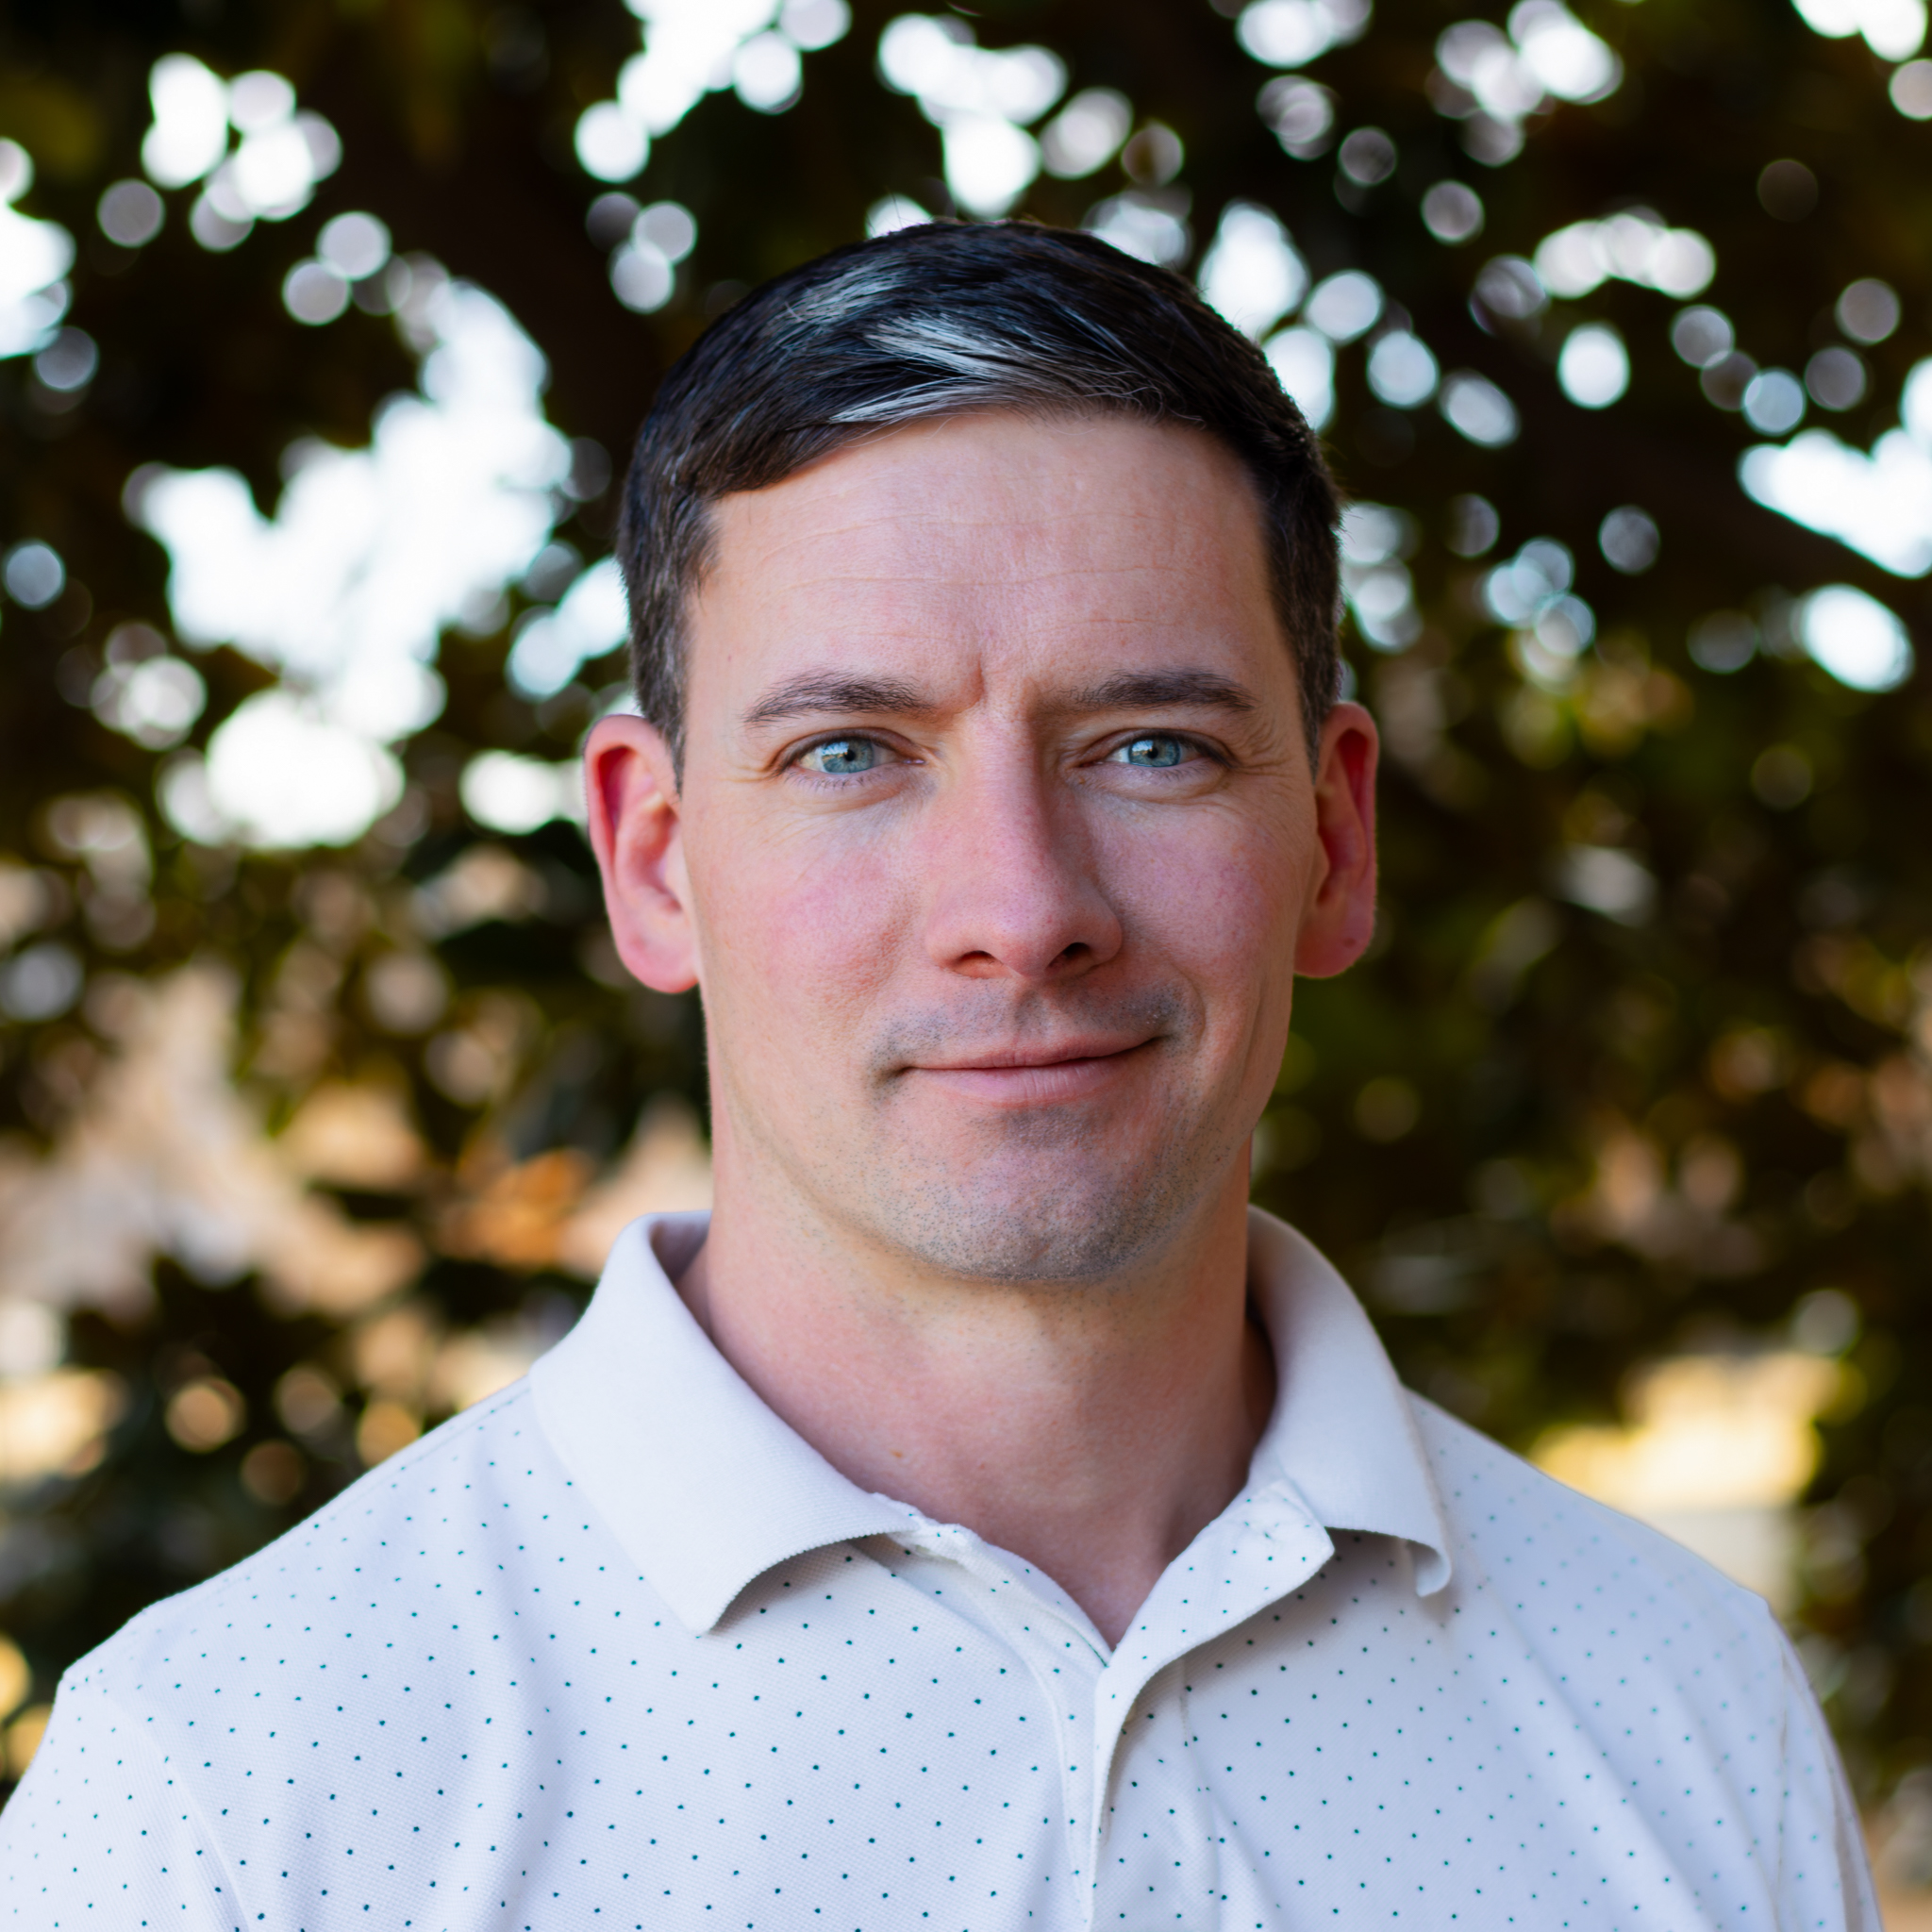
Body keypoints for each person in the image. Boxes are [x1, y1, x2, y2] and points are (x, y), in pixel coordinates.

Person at [0, 221, 1876, 1930]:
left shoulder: (1681, 1710)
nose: (1019, 909)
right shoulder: (225, 1796)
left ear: (1335, 833)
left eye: (1150, 746)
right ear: (652, 855)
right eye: (850, 754)